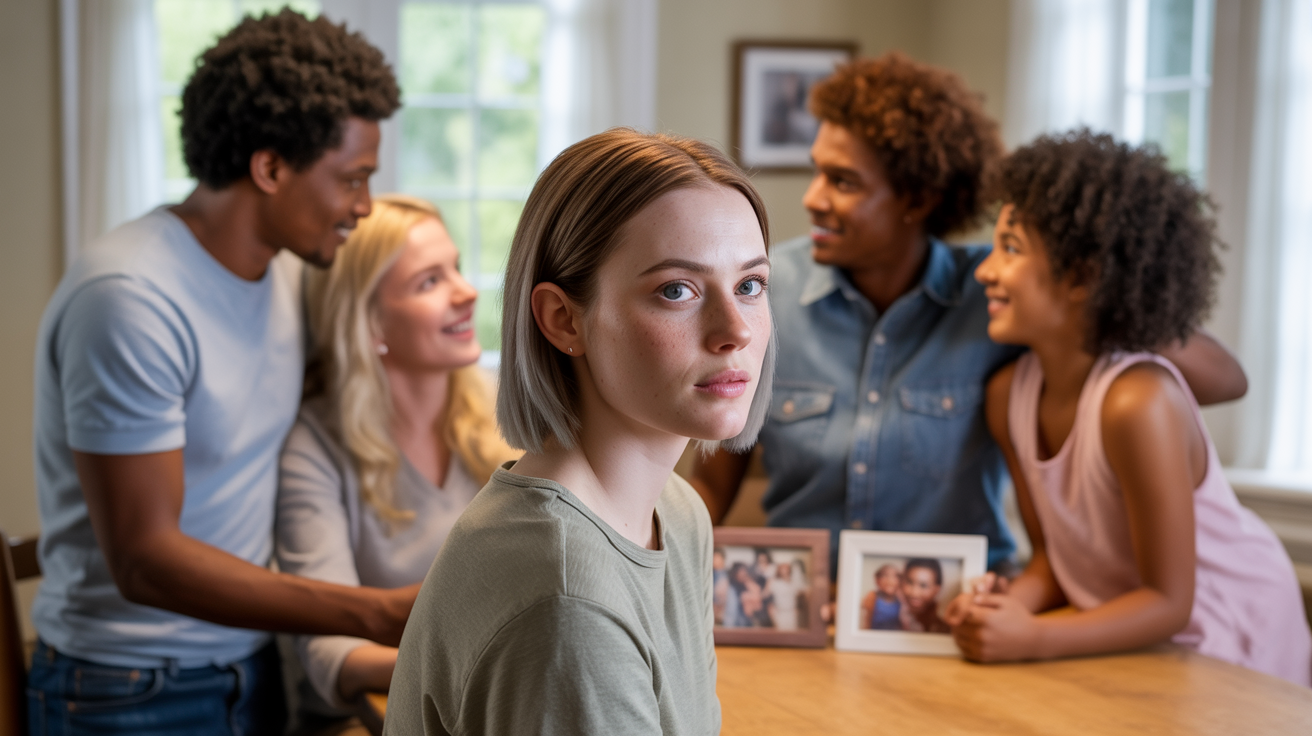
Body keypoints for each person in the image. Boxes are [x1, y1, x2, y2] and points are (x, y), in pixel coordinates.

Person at [690, 53, 1249, 575]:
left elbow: (1224, 378)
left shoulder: (1001, 297)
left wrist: (1092, 293)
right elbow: (714, 481)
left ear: (919, 198)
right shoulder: (765, 293)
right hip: (801, 612)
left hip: (954, 618)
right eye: (818, 171)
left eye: (843, 181)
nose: (813, 197)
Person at [27, 11, 412, 734]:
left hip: (253, 663)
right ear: (269, 168)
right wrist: (376, 611)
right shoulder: (131, 298)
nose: (363, 206)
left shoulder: (286, 280)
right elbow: (146, 560)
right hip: (129, 689)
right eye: (353, 179)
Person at [382, 129, 775, 735]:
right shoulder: (569, 601)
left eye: (750, 285)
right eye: (678, 290)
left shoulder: (678, 512)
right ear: (564, 319)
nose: (735, 330)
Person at [945, 130, 1312, 686]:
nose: (985, 270)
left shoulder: (1137, 401)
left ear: (1084, 276)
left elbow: (1169, 602)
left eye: (1011, 248)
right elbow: (1053, 561)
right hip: (1132, 637)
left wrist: (1035, 636)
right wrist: (1004, 606)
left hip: (1227, 632)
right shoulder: (1008, 399)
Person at [275, 195, 517, 734]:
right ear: (369, 323)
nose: (468, 292)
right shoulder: (312, 446)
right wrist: (474, 674)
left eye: (454, 267)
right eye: (430, 282)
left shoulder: (509, 414)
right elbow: (329, 653)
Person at [900, 559, 949, 633]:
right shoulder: (895, 610)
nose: (914, 593)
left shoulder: (941, 624)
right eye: (909, 582)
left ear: (936, 590)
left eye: (923, 586)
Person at [860, 564, 903, 630]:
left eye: (895, 576)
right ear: (877, 580)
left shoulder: (902, 600)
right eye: (885, 575)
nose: (890, 580)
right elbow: (866, 622)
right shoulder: (872, 597)